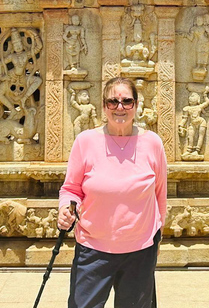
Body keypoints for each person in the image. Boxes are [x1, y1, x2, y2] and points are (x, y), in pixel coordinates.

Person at [58, 76, 167, 308]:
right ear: (104, 106)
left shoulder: (152, 143)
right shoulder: (85, 141)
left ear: (136, 106)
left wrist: (157, 236)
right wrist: (65, 208)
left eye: (127, 101)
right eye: (113, 102)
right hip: (93, 248)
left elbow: (160, 195)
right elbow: (71, 188)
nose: (120, 107)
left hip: (140, 251)